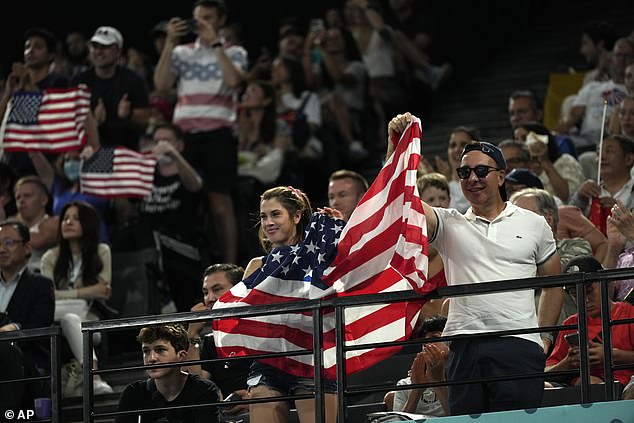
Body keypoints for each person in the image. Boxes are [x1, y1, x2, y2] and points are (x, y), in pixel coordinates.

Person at [387, 113, 562, 415]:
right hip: (464, 346)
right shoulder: (449, 222)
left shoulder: (534, 223)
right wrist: (396, 146)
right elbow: (399, 198)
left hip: (518, 345)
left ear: (501, 176)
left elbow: (554, 284)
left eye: (482, 170)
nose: (473, 178)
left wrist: (543, 338)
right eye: (464, 172)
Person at [154, 0, 247, 265]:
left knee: (220, 202)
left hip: (218, 133)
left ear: (220, 20)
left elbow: (234, 81)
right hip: (184, 135)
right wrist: (170, 43)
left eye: (208, 17)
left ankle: (229, 266)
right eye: (197, 18)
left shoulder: (234, 51)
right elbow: (161, 85)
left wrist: (216, 44)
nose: (201, 23)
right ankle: (187, 259)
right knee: (183, 199)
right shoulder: (182, 52)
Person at [243, 186, 339, 423]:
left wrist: (339, 233)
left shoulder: (320, 258)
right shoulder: (256, 266)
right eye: (264, 216)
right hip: (269, 362)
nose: (268, 222)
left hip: (312, 359)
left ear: (296, 216)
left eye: (275, 214)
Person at [40, 201, 113, 396]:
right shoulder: (50, 257)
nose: (68, 222)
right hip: (55, 322)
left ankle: (95, 379)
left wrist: (66, 295)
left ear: (88, 224)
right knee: (69, 315)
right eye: (65, 218)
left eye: (75, 218)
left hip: (90, 321)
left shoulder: (102, 251)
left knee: (72, 317)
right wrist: (85, 292)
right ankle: (95, 377)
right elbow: (48, 297)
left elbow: (104, 291)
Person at [136, 123, 204, 312]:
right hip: (149, 245)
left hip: (181, 246)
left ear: (180, 145)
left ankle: (166, 296)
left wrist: (174, 156)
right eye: (157, 141)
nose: (161, 145)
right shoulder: (145, 175)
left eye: (166, 141)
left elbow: (196, 186)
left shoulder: (187, 171)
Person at [545, 255, 634, 389]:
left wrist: (610, 355)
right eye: (576, 295)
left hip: (622, 384)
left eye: (589, 291)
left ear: (604, 283)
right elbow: (546, 371)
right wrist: (567, 363)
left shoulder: (629, 313)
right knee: (540, 387)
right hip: (578, 388)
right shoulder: (571, 323)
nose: (585, 299)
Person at [114, 324, 221, 423]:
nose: (151, 359)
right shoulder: (133, 392)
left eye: (160, 350)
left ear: (181, 355)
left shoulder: (203, 390)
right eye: (146, 351)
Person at [0, 220, 55, 408]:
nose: (1, 249)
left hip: (25, 361)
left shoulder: (41, 285)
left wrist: (14, 329)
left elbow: (41, 325)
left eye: (8, 242)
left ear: (27, 247)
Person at [186, 264, 252, 417]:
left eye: (216, 289)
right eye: (205, 292)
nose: (209, 299)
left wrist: (255, 399)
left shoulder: (265, 330)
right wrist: (192, 334)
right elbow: (196, 386)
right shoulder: (211, 341)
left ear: (240, 290)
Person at [71, 26, 151, 150]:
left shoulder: (134, 81)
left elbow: (145, 122)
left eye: (105, 47)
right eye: (95, 47)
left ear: (118, 52)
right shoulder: (79, 82)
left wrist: (127, 117)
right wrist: (92, 123)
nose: (98, 51)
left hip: (124, 152)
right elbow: (68, 124)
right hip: (90, 152)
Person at [388, 315, 449, 417]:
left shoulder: (460, 379)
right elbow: (400, 421)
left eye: (435, 338)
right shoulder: (404, 385)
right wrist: (417, 389)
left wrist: (438, 382)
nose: (427, 345)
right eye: (424, 342)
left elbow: (462, 419)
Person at [513, 122, 584, 203]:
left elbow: (567, 197)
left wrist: (544, 160)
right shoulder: (520, 170)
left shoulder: (565, 161)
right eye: (516, 140)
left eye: (524, 138)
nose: (519, 143)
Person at [12, 176, 59, 272]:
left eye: (27, 196)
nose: (21, 201)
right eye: (18, 197)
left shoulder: (54, 223)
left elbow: (38, 242)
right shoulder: (12, 224)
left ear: (44, 200)